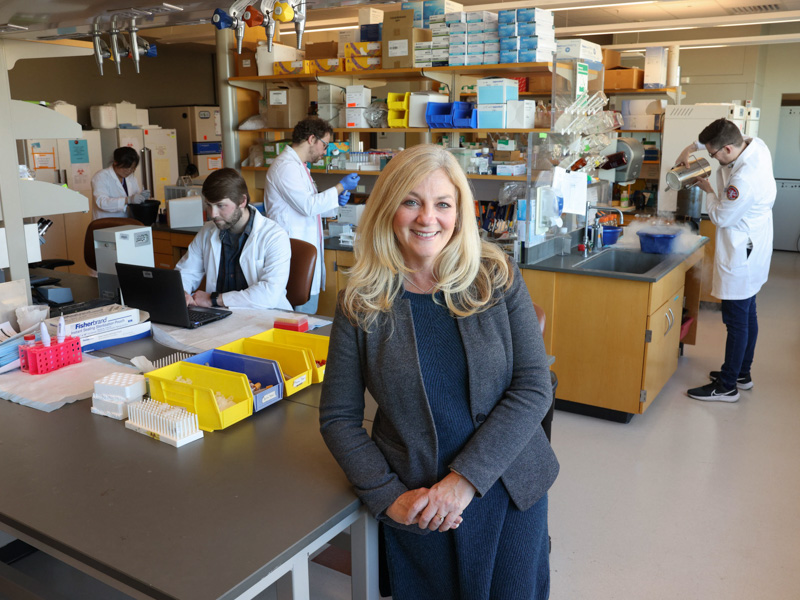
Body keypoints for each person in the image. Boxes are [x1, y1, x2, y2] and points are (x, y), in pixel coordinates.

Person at [318, 144, 559, 600]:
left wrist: (463, 481)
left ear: (459, 211)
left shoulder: (496, 275)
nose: (428, 218)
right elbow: (338, 418)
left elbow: (532, 387)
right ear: (388, 208)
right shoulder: (360, 301)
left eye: (442, 204)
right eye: (411, 201)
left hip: (508, 480)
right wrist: (389, 496)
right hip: (420, 499)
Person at [675, 118, 775, 402]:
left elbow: (720, 216)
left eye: (714, 153)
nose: (712, 158)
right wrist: (689, 147)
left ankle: (728, 385)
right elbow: (729, 136)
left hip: (743, 248)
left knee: (736, 319)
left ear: (728, 150)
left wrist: (707, 190)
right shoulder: (756, 146)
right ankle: (742, 373)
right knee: (748, 310)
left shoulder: (743, 180)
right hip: (755, 242)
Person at [263, 117, 360, 314]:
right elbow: (307, 206)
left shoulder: (299, 166)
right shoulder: (286, 167)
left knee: (305, 310)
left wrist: (335, 204)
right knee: (295, 317)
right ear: (311, 139)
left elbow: (307, 207)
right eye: (324, 145)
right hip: (291, 250)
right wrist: (340, 187)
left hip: (302, 248)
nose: (325, 151)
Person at [176, 167, 292, 311]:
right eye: (209, 205)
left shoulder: (274, 236)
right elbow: (186, 272)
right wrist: (182, 292)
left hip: (266, 318)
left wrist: (214, 299)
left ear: (242, 201)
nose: (213, 214)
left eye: (220, 205)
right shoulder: (207, 231)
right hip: (221, 317)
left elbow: (269, 295)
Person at [90, 146, 150, 219]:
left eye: (132, 168)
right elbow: (101, 202)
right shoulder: (101, 176)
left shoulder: (131, 177)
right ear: (115, 162)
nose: (129, 171)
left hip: (128, 222)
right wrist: (127, 200)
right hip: (106, 224)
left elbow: (134, 198)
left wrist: (142, 197)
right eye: (126, 167)